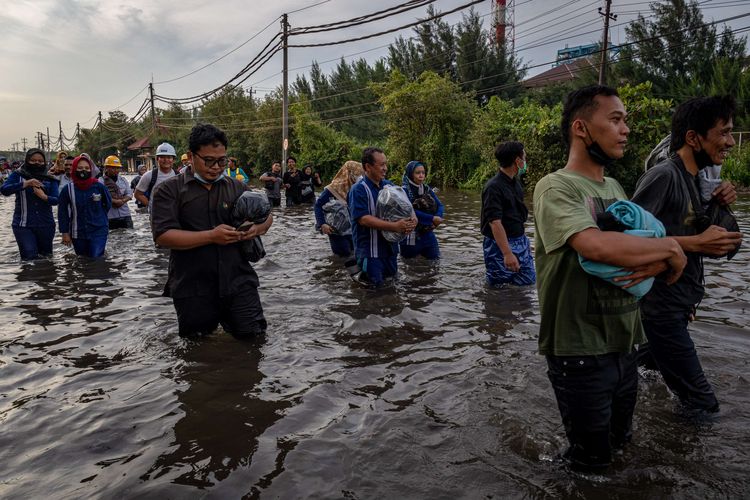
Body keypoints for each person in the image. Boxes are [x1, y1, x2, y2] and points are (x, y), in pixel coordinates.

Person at [533, 85, 687, 472]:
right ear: (582, 128)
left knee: (621, 445)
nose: (626, 129)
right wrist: (670, 250)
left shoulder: (615, 188)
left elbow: (637, 247)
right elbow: (595, 246)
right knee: (592, 465)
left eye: (625, 120)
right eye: (615, 119)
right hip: (578, 349)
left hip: (624, 342)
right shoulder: (555, 186)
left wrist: (661, 257)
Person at [631, 96, 743, 416]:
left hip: (678, 306)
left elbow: (727, 247)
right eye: (723, 133)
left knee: (641, 374)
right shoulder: (663, 176)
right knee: (703, 405)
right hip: (661, 312)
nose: (731, 142)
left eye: (731, 132)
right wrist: (694, 243)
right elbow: (626, 241)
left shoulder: (699, 181)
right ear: (693, 138)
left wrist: (720, 205)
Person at [151, 123, 272, 338]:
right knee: (197, 353)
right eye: (209, 161)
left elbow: (267, 215)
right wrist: (211, 236)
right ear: (190, 156)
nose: (216, 167)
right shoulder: (169, 190)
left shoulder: (237, 187)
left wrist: (256, 229)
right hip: (192, 286)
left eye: (222, 161)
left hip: (239, 281)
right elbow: (163, 236)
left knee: (254, 342)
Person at [349, 147, 416, 286]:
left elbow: (405, 205)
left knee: (391, 288)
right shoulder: (359, 189)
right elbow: (363, 219)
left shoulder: (389, 186)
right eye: (381, 165)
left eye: (386, 164)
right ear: (368, 167)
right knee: (373, 292)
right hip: (370, 253)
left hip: (390, 250)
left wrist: (413, 219)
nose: (385, 168)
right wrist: (395, 226)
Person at [480, 142, 535, 286]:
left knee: (527, 284)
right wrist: (507, 253)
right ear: (517, 161)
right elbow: (495, 222)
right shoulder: (493, 187)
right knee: (499, 290)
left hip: (520, 240)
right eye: (524, 157)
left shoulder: (515, 183)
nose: (526, 161)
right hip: (499, 245)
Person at [1, 148, 59, 260]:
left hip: (46, 225)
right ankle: (28, 277)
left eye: (40, 161)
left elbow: (56, 200)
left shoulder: (51, 179)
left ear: (45, 162)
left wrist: (44, 197)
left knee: (46, 258)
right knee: (29, 256)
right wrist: (25, 184)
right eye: (33, 160)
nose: (37, 163)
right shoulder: (17, 175)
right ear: (27, 161)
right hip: (23, 225)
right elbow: (4, 190)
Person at [58, 154, 112, 258]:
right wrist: (65, 233)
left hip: (98, 230)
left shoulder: (99, 187)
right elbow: (62, 212)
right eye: (80, 168)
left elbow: (107, 204)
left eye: (87, 168)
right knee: (82, 260)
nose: (84, 170)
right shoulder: (68, 189)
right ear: (74, 169)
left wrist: (99, 217)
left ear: (91, 170)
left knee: (96, 258)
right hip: (77, 232)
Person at [314, 160, 363, 257]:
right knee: (342, 255)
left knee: (355, 254)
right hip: (336, 230)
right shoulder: (333, 189)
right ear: (349, 173)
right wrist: (322, 224)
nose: (360, 177)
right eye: (357, 174)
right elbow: (318, 205)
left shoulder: (357, 188)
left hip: (352, 229)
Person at [399, 160, 444, 260]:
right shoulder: (403, 191)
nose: (421, 175)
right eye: (417, 173)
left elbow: (440, 205)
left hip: (427, 232)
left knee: (435, 262)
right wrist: (432, 218)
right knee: (409, 265)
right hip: (410, 235)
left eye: (423, 173)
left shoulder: (426, 188)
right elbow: (409, 211)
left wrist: (438, 218)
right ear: (411, 174)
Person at [134, 143, 177, 209]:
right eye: (162, 157)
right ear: (157, 159)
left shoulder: (178, 175)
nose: (166, 160)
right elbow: (137, 194)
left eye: (169, 157)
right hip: (157, 217)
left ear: (173, 159)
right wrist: (151, 206)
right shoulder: (149, 175)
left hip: (175, 214)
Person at [100, 155, 134, 229]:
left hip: (125, 215)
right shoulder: (100, 182)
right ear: (106, 168)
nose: (116, 170)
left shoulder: (123, 180)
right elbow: (100, 197)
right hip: (110, 217)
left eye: (117, 168)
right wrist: (114, 201)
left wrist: (122, 200)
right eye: (113, 168)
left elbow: (129, 193)